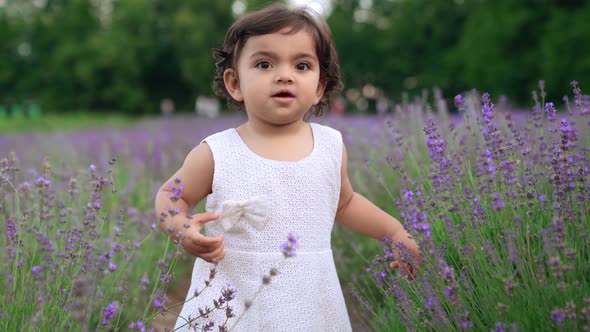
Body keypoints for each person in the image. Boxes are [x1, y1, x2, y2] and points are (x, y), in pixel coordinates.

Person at [155, 3, 422, 331]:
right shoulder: (218, 152)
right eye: (264, 63)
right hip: (233, 299)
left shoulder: (329, 147)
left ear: (319, 87)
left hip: (309, 297)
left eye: (302, 65)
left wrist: (394, 232)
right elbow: (171, 196)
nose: (284, 74)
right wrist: (181, 230)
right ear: (234, 82)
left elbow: (346, 203)